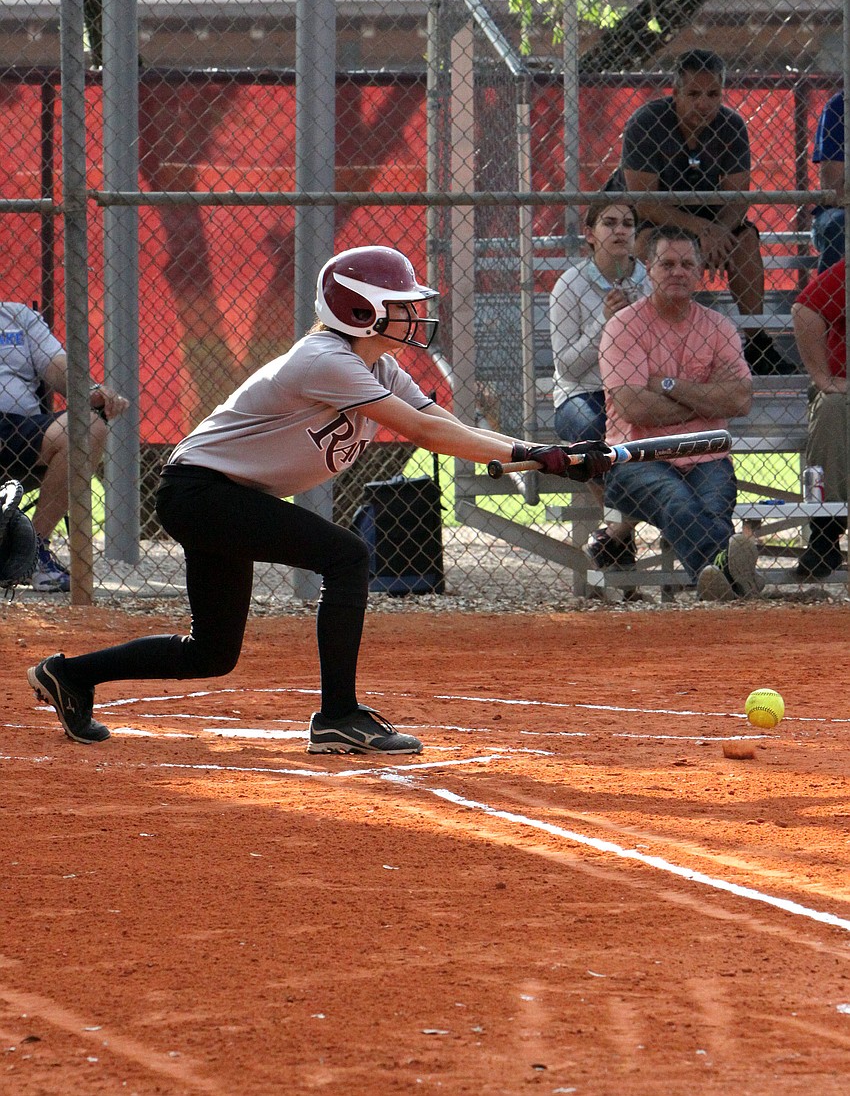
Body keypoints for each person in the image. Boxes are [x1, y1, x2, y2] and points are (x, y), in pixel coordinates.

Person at [26, 245, 612, 750]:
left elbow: (446, 424)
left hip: (220, 494)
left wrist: (544, 452)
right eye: (401, 305)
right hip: (200, 491)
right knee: (348, 556)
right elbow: (427, 435)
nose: (414, 314)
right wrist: (540, 456)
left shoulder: (375, 364)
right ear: (361, 310)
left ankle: (69, 675)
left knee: (211, 653)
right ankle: (338, 718)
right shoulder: (323, 359)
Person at [598, 226, 762, 600]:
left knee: (711, 509)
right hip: (636, 457)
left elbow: (740, 400)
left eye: (687, 264)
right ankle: (736, 579)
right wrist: (706, 397)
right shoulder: (623, 327)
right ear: (649, 269)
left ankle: (723, 585)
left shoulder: (717, 327)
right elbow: (633, 407)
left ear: (700, 273)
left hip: (707, 454)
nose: (678, 271)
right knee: (679, 501)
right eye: (667, 263)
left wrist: (667, 385)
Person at [613, 48, 792, 376]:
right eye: (694, 93)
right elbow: (643, 201)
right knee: (645, 245)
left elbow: (738, 198)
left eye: (713, 94)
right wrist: (700, 229)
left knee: (747, 238)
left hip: (708, 221)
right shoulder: (647, 122)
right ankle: (654, 331)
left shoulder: (731, 125)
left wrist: (720, 230)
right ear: (676, 92)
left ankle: (756, 341)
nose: (704, 103)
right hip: (655, 219)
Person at [0, 301, 129, 591]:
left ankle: (30, 552)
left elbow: (57, 365)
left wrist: (89, 391)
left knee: (89, 427)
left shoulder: (18, 316)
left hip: (20, 427)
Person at [549, 197, 648, 568]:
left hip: (636, 388)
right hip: (582, 392)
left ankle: (614, 535)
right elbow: (568, 367)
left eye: (627, 223)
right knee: (595, 432)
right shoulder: (570, 285)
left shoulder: (650, 280)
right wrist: (605, 321)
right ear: (590, 234)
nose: (620, 230)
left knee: (657, 435)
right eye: (609, 223)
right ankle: (623, 533)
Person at [791, 257, 847, 578]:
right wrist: (824, 378)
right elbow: (805, 309)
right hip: (846, 389)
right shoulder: (848, 272)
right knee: (830, 407)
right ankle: (826, 533)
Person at [811, 89, 845, 274]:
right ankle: (826, 303)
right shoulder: (840, 105)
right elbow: (833, 188)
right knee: (840, 225)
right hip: (841, 209)